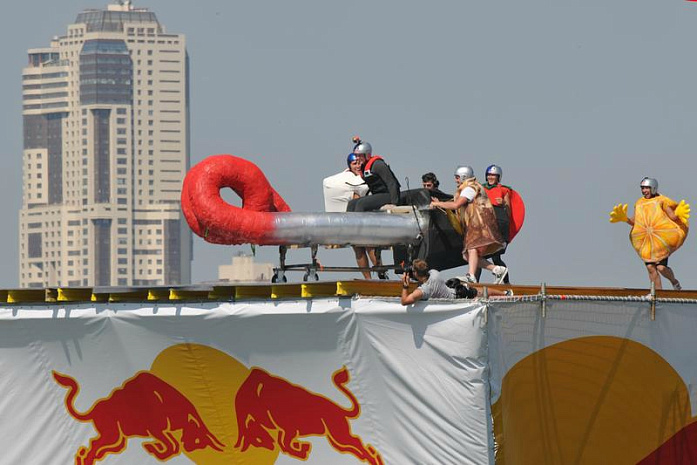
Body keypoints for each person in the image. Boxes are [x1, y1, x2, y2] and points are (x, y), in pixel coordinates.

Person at [430, 165, 507, 284]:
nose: (456, 180)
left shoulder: (470, 188)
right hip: (475, 224)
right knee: (467, 256)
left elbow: (456, 205)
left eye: (457, 177)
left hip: (478, 225)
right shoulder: (469, 187)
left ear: (463, 177)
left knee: (472, 249)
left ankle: (471, 276)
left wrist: (437, 204)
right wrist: (440, 203)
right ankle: (497, 269)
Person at [610, 177, 690, 290]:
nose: (644, 191)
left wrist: (678, 213)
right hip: (648, 241)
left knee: (661, 268)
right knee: (651, 268)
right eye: (642, 188)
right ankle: (657, 294)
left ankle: (675, 282)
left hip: (660, 240)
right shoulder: (639, 203)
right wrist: (625, 218)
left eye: (646, 188)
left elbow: (672, 216)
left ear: (653, 188)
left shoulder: (662, 200)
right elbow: (637, 222)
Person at [347, 137, 401, 279]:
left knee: (360, 204)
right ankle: (350, 231)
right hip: (377, 195)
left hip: (387, 195)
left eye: (359, 156)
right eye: (356, 157)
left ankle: (360, 231)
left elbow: (392, 183)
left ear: (366, 155)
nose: (357, 159)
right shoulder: (364, 167)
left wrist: (394, 204)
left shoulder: (377, 164)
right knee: (352, 204)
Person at [400, 259, 510, 305]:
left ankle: (506, 296)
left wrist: (405, 286)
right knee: (481, 292)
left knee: (482, 296)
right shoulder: (433, 272)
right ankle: (505, 294)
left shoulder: (424, 289)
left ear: (416, 273)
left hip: (457, 297)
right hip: (456, 288)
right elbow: (423, 276)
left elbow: (404, 301)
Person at [475, 164, 512, 284]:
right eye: (489, 175)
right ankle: (475, 282)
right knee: (477, 254)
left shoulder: (504, 189)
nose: (491, 177)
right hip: (484, 223)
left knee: (496, 257)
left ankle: (506, 282)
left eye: (494, 175)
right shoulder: (480, 188)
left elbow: (509, 210)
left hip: (498, 223)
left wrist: (503, 204)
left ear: (498, 177)